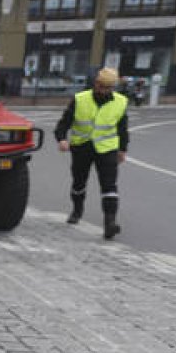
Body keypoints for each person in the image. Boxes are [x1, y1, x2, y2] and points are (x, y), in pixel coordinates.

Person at [55, 67, 130, 240]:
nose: (105, 90)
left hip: (107, 149)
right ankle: (77, 210)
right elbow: (64, 123)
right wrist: (62, 139)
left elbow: (122, 129)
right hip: (82, 147)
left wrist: (123, 149)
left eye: (109, 87)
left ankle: (110, 223)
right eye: (102, 86)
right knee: (79, 182)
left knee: (109, 185)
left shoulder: (120, 101)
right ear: (96, 83)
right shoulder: (80, 99)